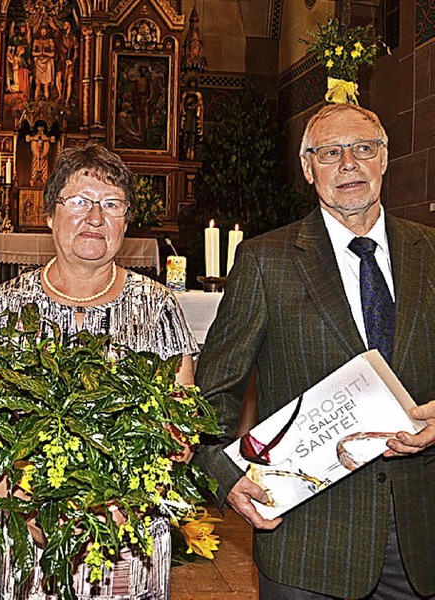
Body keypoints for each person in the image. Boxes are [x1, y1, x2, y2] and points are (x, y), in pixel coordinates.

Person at [195, 103, 435, 599]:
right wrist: (225, 476)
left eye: (363, 148)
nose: (349, 163)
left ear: (385, 159)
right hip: (308, 540)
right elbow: (214, 390)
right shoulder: (266, 262)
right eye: (330, 152)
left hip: (421, 534)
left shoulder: (430, 252)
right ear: (308, 168)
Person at [0, 142, 199, 599]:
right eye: (79, 201)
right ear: (49, 215)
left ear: (126, 221)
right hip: (28, 534)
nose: (95, 218)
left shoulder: (158, 306)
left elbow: (181, 426)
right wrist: (28, 509)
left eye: (111, 205)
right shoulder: (6, 306)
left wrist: (122, 505)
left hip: (128, 536)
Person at [32, 25, 56, 100]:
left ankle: (46, 102)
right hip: (39, 63)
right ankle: (36, 101)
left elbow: (53, 54)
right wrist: (39, 54)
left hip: (47, 62)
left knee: (46, 85)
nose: (43, 34)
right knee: (37, 84)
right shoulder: (36, 41)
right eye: (42, 32)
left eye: (44, 32)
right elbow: (33, 53)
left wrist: (44, 53)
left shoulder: (50, 41)